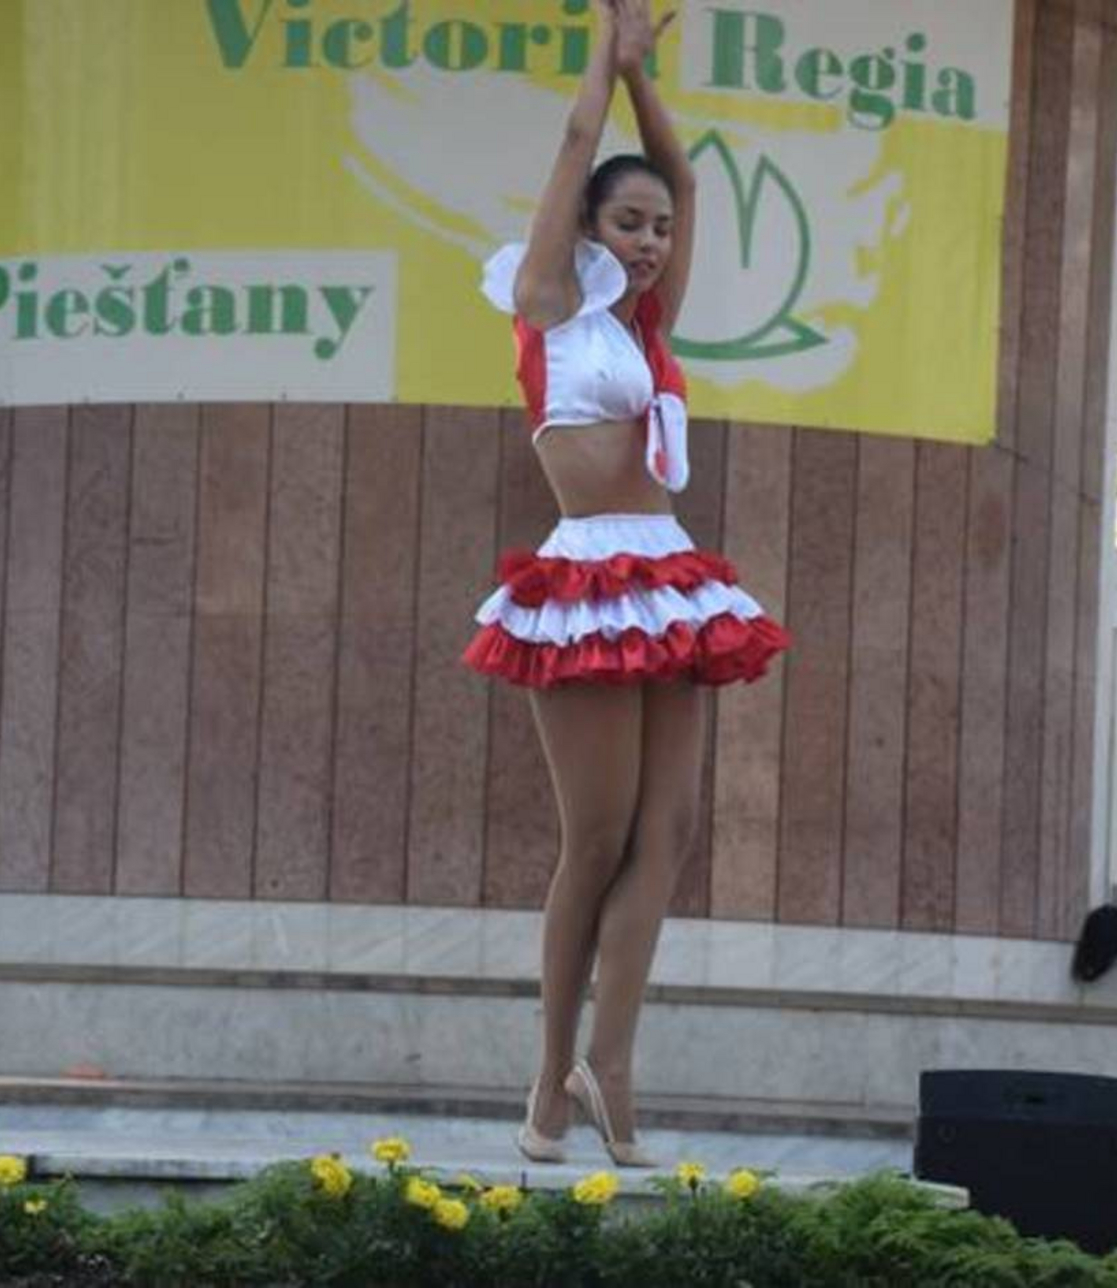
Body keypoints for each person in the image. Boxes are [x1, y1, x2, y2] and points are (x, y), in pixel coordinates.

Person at [463, 0, 787, 1167]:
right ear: (586, 228)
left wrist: (648, 79)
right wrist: (607, 49)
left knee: (669, 828)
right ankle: (547, 1077)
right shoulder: (546, 304)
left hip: (667, 576)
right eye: (628, 223)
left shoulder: (649, 327)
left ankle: (611, 1062)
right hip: (584, 576)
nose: (650, 240)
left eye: (657, 229)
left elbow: (687, 180)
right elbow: (572, 142)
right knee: (593, 837)